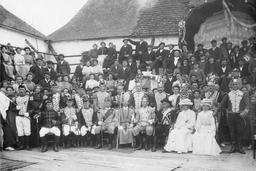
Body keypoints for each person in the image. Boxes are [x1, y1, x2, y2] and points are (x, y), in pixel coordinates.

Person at [220, 79, 249, 154]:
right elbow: (222, 104)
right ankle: (233, 147)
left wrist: (245, 112)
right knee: (232, 131)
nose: (235, 86)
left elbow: (247, 105)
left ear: (239, 85)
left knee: (240, 131)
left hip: (240, 115)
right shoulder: (228, 94)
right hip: (231, 115)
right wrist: (216, 111)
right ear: (231, 86)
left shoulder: (243, 94)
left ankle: (240, 147)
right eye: (233, 84)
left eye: (236, 84)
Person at [16, 85, 32, 150]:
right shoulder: (16, 98)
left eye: (22, 89)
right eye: (20, 89)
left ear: (25, 90)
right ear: (18, 90)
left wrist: (29, 113)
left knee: (27, 130)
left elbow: (33, 107)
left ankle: (27, 145)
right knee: (20, 131)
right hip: (18, 116)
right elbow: (12, 108)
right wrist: (16, 108)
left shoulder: (29, 97)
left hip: (26, 116)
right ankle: (22, 145)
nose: (21, 91)